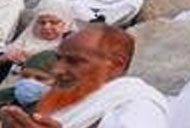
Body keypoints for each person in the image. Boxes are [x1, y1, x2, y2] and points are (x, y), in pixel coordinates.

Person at [0, 25, 167, 127]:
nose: (57, 69)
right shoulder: (65, 96)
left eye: (73, 61)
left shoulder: (139, 106)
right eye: (59, 59)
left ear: (116, 65)